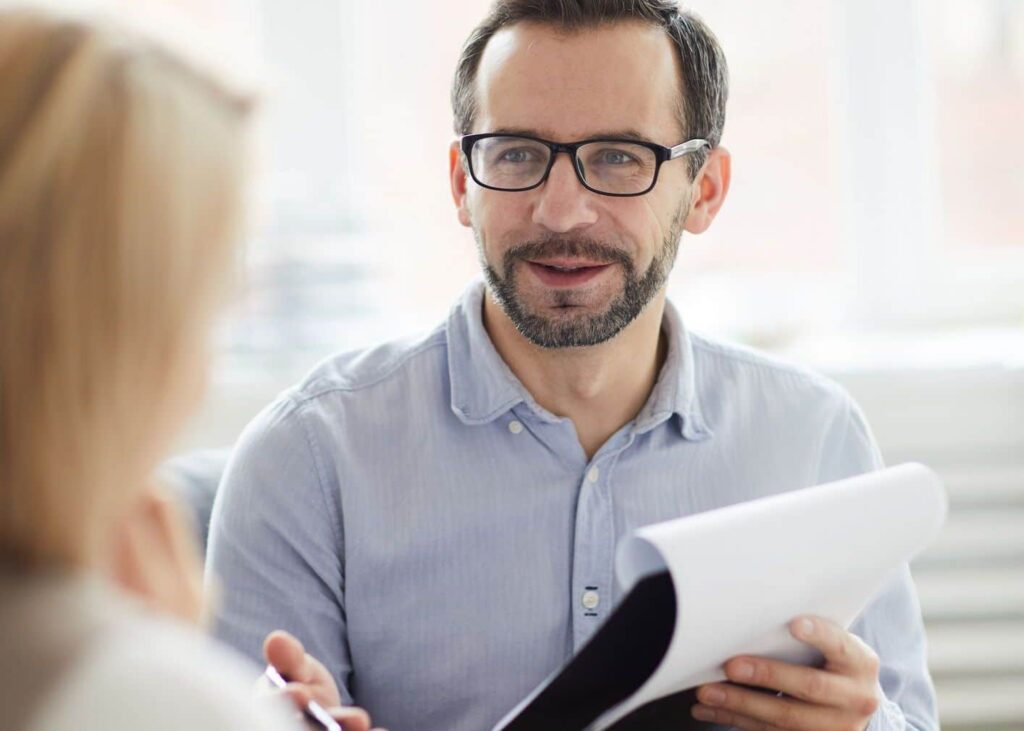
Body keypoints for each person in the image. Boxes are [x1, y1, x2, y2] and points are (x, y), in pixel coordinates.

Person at [207, 2, 938, 730]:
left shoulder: (815, 439)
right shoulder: (304, 460)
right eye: (517, 154)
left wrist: (861, 725)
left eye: (620, 156)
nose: (561, 212)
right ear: (463, 182)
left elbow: (907, 718)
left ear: (704, 190)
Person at [0, 6, 379, 730]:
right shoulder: (131, 689)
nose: (201, 374)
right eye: (207, 312)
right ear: (112, 337)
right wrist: (178, 675)